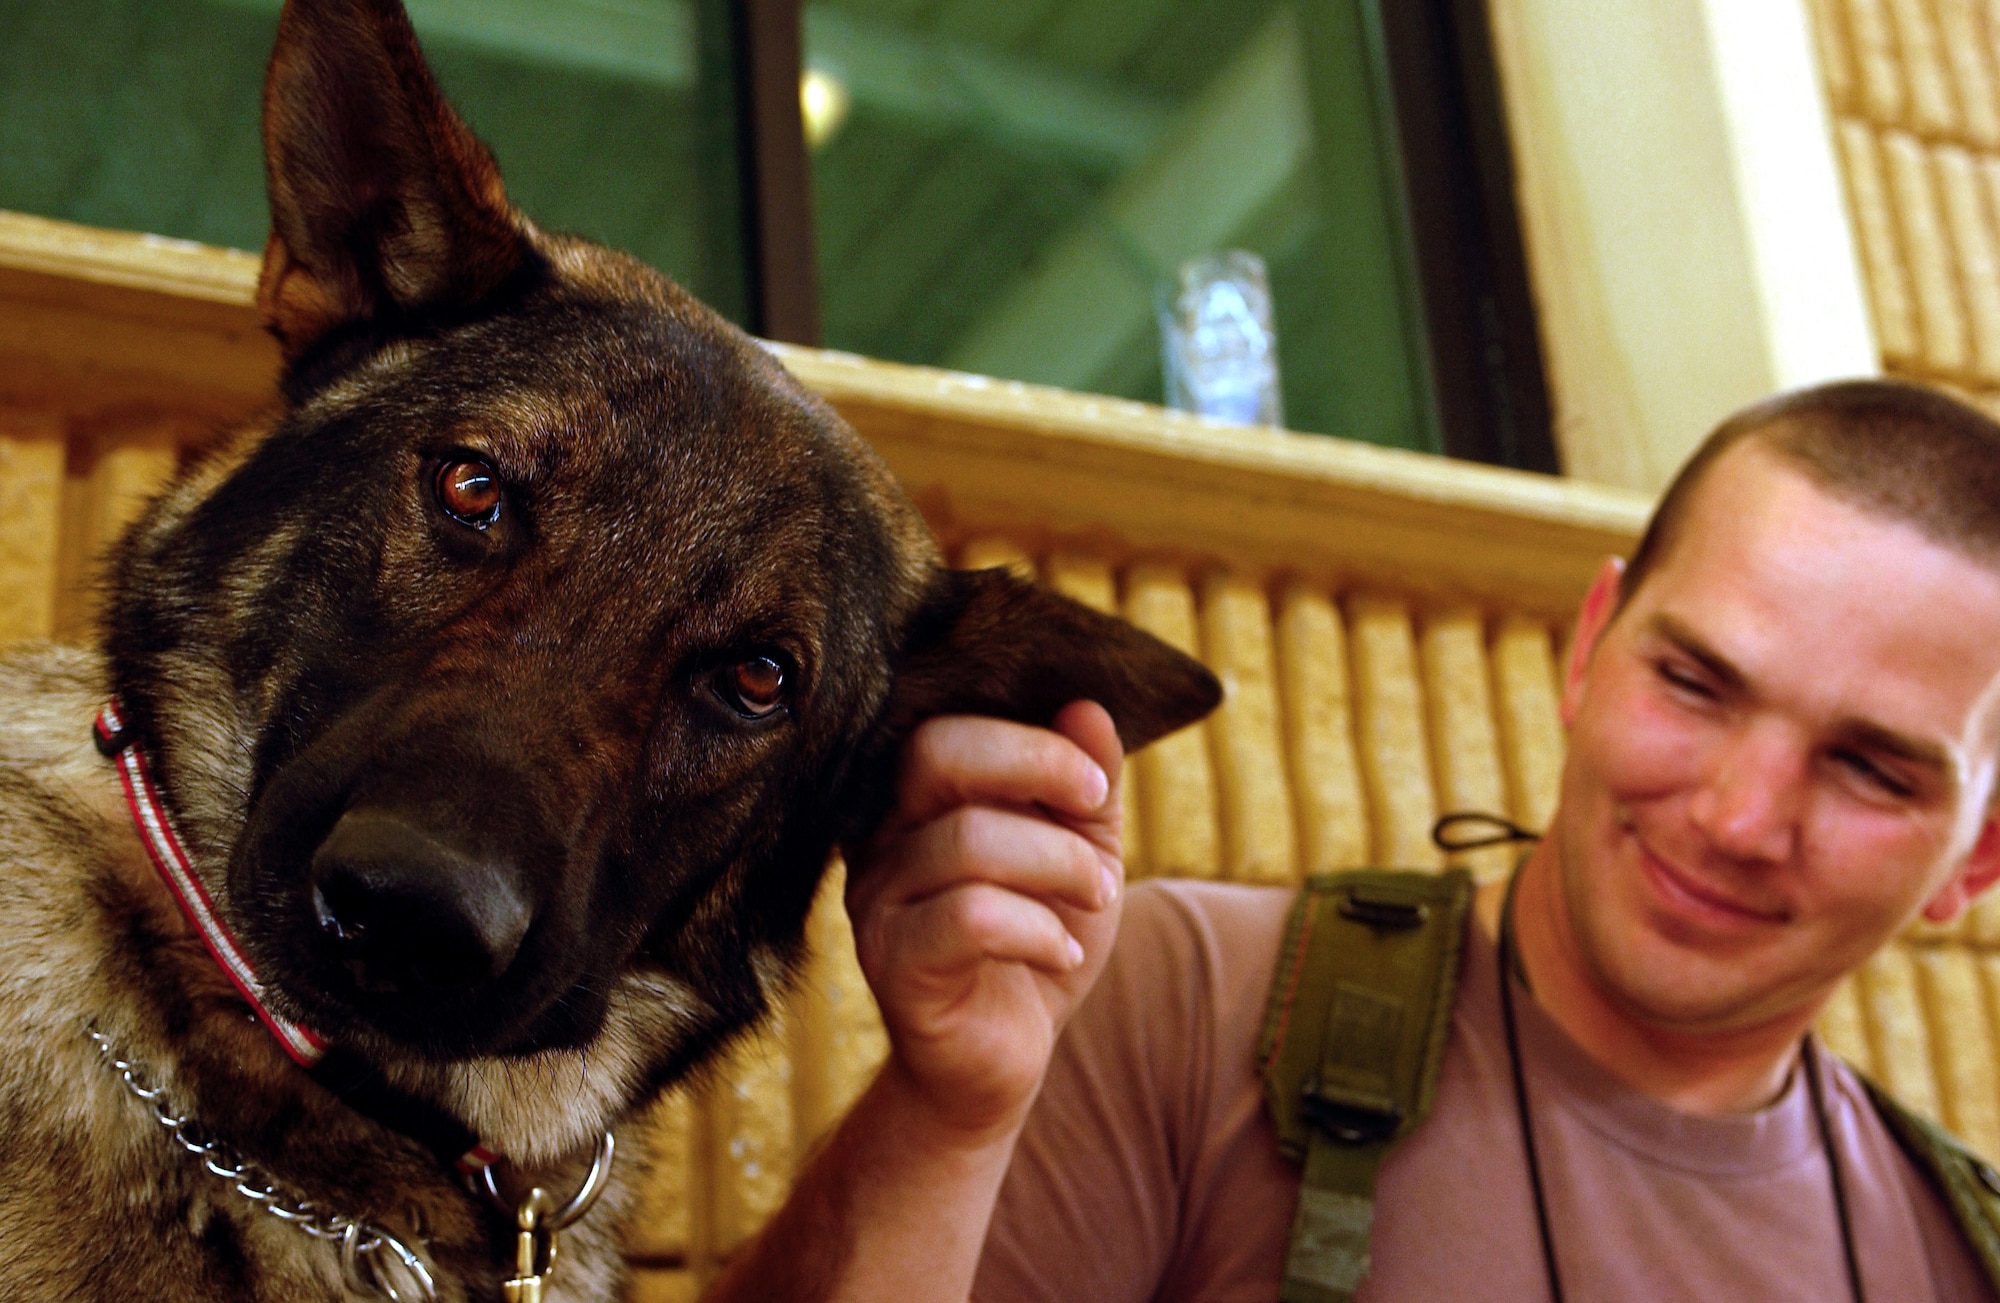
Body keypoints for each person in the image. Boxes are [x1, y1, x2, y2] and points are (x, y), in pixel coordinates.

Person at [702, 379, 2000, 1302]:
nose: (1737, 819)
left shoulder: (1960, 1254)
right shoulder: (1197, 998)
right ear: (1592, 646)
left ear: (1980, 856)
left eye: (1869, 769)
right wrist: (949, 1123)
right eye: (1697, 685)